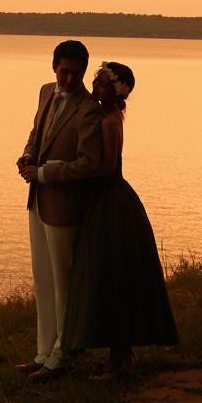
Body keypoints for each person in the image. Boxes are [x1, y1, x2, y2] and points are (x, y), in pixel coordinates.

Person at [59, 60, 178, 378]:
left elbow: (108, 167)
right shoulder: (105, 115)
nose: (93, 86)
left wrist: (72, 171)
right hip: (105, 198)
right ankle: (118, 353)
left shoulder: (111, 121)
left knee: (111, 274)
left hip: (111, 199)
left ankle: (119, 358)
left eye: (99, 83)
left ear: (112, 90)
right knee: (108, 274)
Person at [15, 38, 103, 379]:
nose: (67, 79)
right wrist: (26, 154)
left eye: (75, 74)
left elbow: (89, 164)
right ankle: (43, 352)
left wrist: (43, 172)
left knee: (64, 284)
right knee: (43, 280)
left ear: (82, 71)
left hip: (65, 206)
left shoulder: (90, 109)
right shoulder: (44, 91)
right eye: (63, 72)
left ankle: (65, 355)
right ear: (54, 67)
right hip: (37, 200)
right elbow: (37, 132)